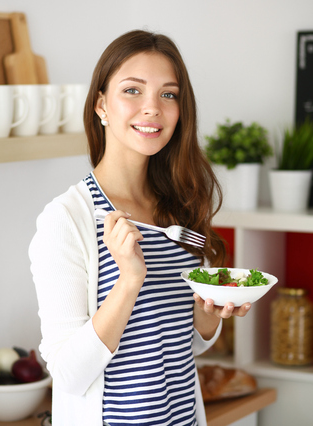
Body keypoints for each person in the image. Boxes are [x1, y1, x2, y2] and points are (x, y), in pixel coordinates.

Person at [29, 30, 251, 426]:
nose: (152, 108)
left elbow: (184, 344)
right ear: (101, 105)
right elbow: (67, 375)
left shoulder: (178, 208)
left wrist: (210, 312)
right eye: (133, 90)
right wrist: (128, 282)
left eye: (168, 94)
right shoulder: (66, 220)